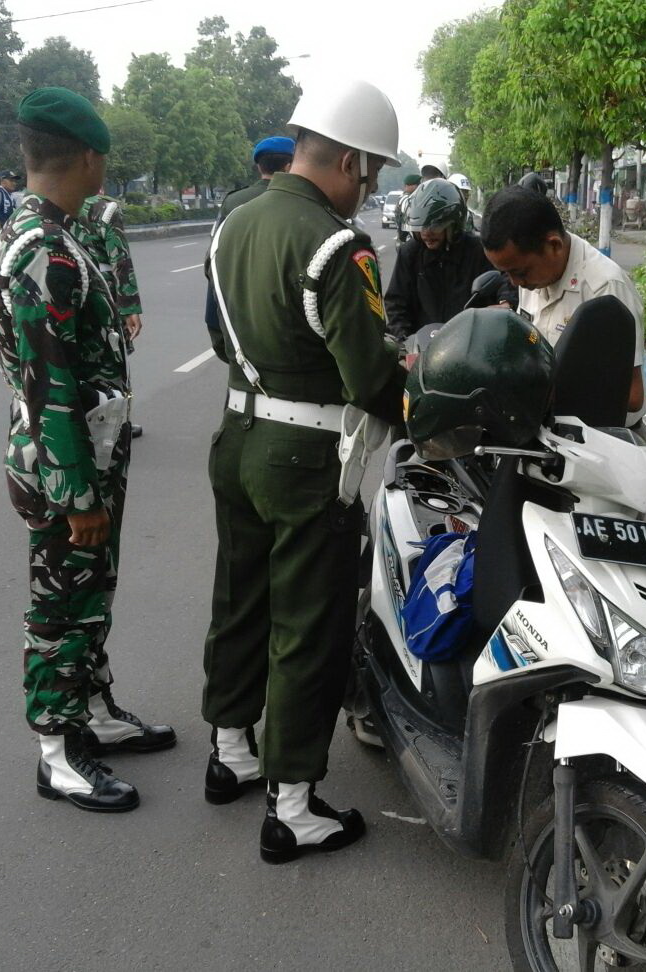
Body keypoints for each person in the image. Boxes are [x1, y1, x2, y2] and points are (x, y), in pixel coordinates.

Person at [202, 79, 405, 863]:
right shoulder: (335, 245)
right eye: (373, 172)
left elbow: (222, 339)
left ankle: (230, 751)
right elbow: (370, 379)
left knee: (238, 598)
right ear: (348, 160)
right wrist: (416, 396)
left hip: (238, 435)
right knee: (306, 626)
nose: (373, 188)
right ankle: (292, 806)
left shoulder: (233, 223)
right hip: (308, 459)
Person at [0, 87, 174, 814]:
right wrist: (76, 495)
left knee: (88, 599)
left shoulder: (55, 234)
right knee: (60, 608)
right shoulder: (44, 250)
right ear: (87, 158)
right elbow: (48, 385)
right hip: (68, 468)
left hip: (86, 457)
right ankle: (58, 751)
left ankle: (92, 712)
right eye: (105, 159)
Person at [481, 185, 646, 426]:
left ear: (554, 245)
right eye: (506, 274)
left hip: (601, 439)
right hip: (547, 427)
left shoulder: (604, 289)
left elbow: (632, 396)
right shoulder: (534, 277)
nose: (515, 282)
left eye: (519, 272)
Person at [204, 136, 295, 356]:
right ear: (290, 166)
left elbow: (214, 262)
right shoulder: (296, 199)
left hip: (239, 312)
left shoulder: (234, 201)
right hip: (286, 317)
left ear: (258, 166)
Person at [383, 177, 500, 341]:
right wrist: (405, 340)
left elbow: (504, 280)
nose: (426, 233)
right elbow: (396, 303)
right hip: (422, 347)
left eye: (434, 226)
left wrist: (505, 301)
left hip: (471, 345)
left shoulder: (477, 251)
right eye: (421, 227)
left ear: (453, 225)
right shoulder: (409, 254)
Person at [72, 191, 146, 438]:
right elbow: (120, 259)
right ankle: (118, 421)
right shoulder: (106, 209)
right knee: (112, 357)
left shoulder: (60, 204)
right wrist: (130, 306)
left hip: (69, 289)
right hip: (102, 290)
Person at [395, 172, 420, 243]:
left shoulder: (407, 197)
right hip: (408, 237)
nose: (419, 186)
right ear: (408, 186)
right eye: (417, 185)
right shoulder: (406, 199)